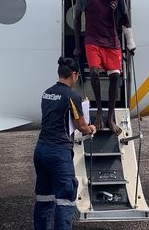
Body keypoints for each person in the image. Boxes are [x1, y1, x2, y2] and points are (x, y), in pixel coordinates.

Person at [73, 0, 136, 136]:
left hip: (112, 41)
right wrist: (78, 46)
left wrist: (129, 41)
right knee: (93, 72)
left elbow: (124, 18)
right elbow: (77, 19)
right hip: (92, 39)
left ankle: (110, 117)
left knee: (115, 77)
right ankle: (99, 111)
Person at [33, 57, 97, 230]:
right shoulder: (71, 96)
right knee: (65, 198)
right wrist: (91, 128)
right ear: (74, 75)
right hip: (58, 153)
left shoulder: (47, 92)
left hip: (41, 150)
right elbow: (81, 126)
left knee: (44, 196)